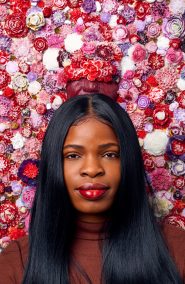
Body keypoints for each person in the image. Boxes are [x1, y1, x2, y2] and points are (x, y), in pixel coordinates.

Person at [0, 94, 185, 284]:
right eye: (73, 155)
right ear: (53, 164)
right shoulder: (17, 262)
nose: (92, 169)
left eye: (109, 154)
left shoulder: (177, 249)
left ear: (129, 162)